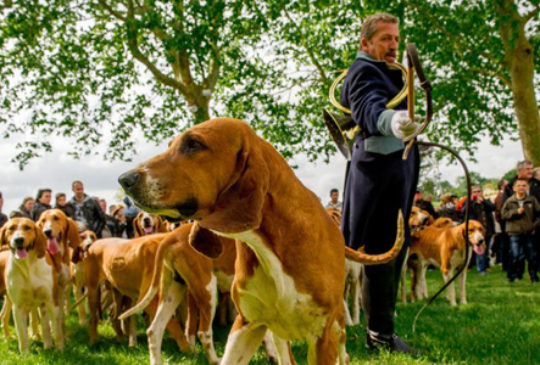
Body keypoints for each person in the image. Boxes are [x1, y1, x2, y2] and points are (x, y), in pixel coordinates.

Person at [339, 13, 420, 353]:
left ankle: (381, 333)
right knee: (383, 252)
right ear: (365, 43)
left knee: (391, 252)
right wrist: (394, 120)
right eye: (386, 38)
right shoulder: (363, 71)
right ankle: (380, 337)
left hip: (391, 172)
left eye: (396, 40)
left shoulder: (389, 73)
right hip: (378, 175)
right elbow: (368, 110)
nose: (393, 45)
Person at [501, 178, 540, 283]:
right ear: (514, 188)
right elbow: (503, 215)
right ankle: (512, 275)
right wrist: (515, 212)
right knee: (515, 255)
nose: (521, 188)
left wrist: (533, 225)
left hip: (528, 232)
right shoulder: (510, 201)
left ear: (527, 187)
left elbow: (538, 214)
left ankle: (533, 276)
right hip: (514, 232)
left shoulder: (531, 200)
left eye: (524, 185)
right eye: (518, 186)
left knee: (531, 255)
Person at [468, 185, 496, 274]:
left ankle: (485, 265)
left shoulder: (486, 201)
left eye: (479, 191)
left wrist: (483, 201)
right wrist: (472, 201)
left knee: (486, 249)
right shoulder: (470, 202)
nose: (477, 193)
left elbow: (493, 207)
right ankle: (481, 269)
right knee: (480, 250)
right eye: (475, 192)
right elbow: (464, 211)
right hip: (476, 232)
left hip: (488, 229)